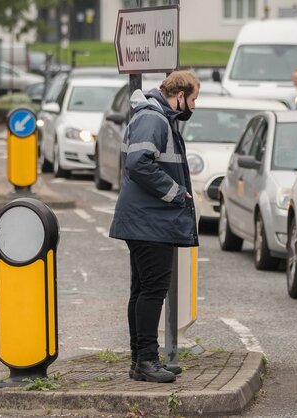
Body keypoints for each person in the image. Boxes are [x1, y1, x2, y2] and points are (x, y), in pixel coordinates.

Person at [108, 71, 200, 383]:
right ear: (180, 94)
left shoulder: (156, 117)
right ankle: (146, 360)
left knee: (142, 289)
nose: (193, 106)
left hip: (144, 219)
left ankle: (140, 359)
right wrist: (176, 192)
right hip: (150, 220)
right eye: (193, 99)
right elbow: (138, 164)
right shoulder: (155, 119)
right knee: (152, 290)